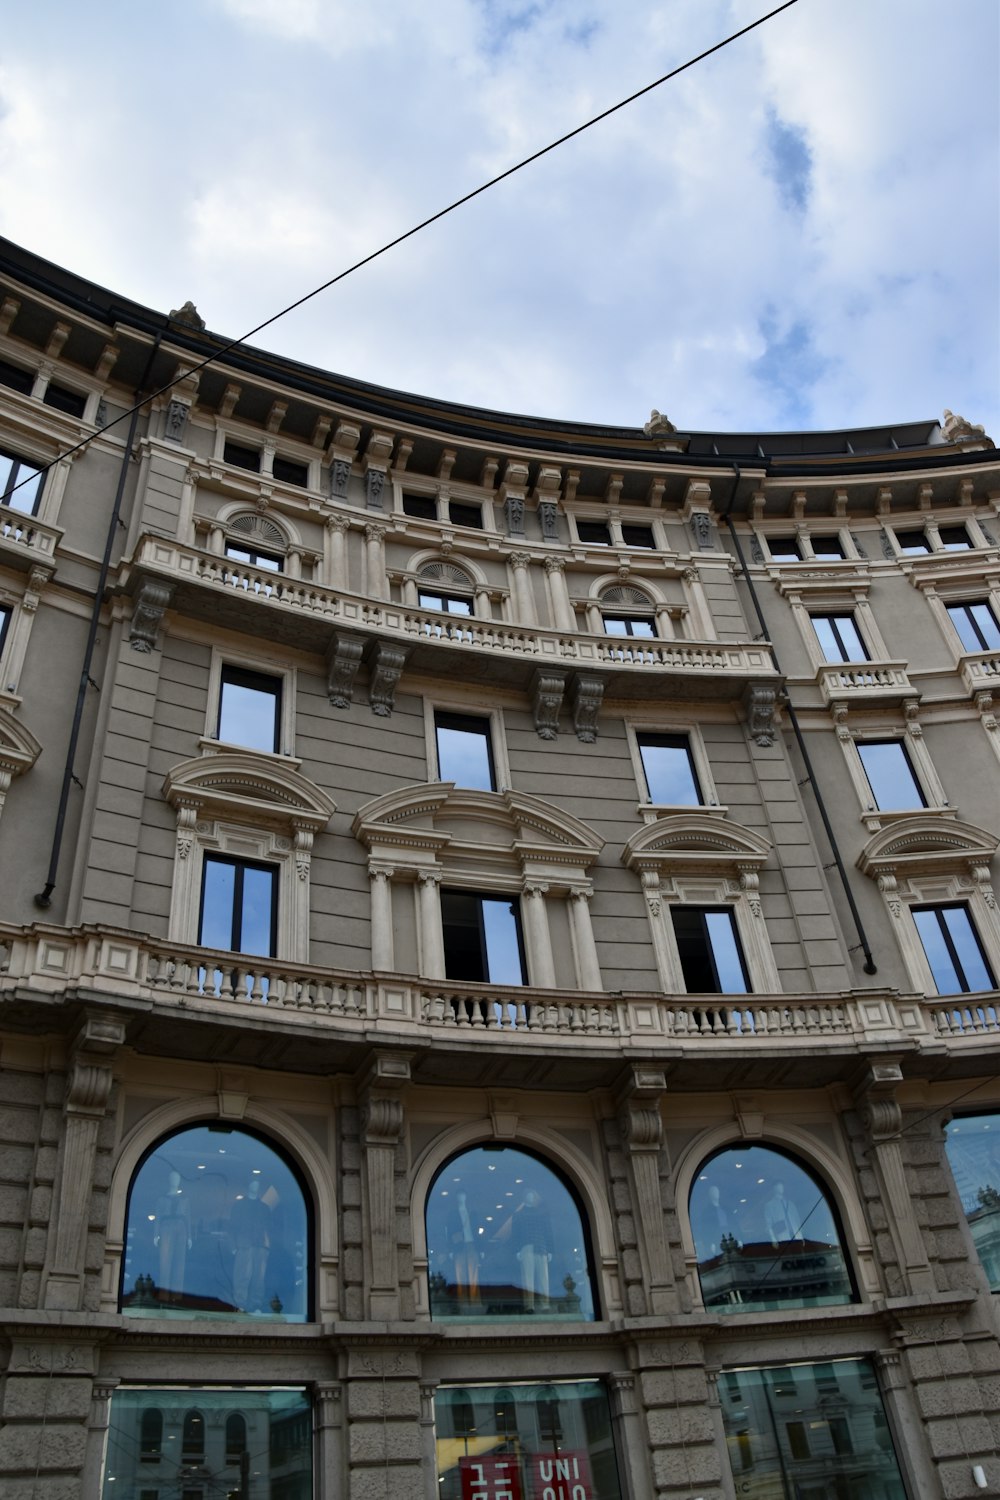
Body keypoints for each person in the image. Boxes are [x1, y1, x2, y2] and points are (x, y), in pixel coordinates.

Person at [230, 1178, 271, 1312]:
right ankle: (240, 1304)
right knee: (242, 1275)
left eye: (257, 1182)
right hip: (244, 1243)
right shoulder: (239, 1206)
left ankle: (255, 1305)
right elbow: (232, 1227)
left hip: (261, 1245)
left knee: (259, 1278)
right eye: (253, 1182)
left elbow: (269, 1228)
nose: (255, 1185)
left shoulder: (264, 1208)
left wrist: (268, 1246)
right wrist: (233, 1245)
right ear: (248, 1185)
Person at [154, 1170, 191, 1300]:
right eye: (173, 1178)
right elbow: (158, 1217)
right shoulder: (161, 1199)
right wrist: (156, 1234)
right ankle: (164, 1295)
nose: (175, 1180)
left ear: (180, 1180)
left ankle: (176, 1296)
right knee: (165, 1261)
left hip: (181, 1229)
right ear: (169, 1180)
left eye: (177, 1178)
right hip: (166, 1228)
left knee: (179, 1262)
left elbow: (188, 1218)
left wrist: (190, 1237)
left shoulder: (185, 1199)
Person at [447, 1191, 480, 1300]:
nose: (461, 1197)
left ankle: (474, 1300)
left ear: (466, 1197)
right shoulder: (453, 1213)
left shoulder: (472, 1213)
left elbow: (478, 1231)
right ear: (456, 1198)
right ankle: (462, 1301)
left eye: (463, 1195)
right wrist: (451, 1249)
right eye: (459, 1195)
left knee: (473, 1273)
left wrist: (481, 1248)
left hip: (472, 1244)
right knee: (460, 1274)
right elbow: (450, 1232)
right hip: (459, 1246)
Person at [764, 1181, 804, 1246]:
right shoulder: (769, 1206)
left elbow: (797, 1220)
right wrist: (773, 1239)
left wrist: (801, 1236)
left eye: (781, 1185)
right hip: (782, 1238)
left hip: (796, 1237)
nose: (781, 1187)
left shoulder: (790, 1204)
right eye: (778, 1185)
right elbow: (769, 1224)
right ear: (774, 1188)